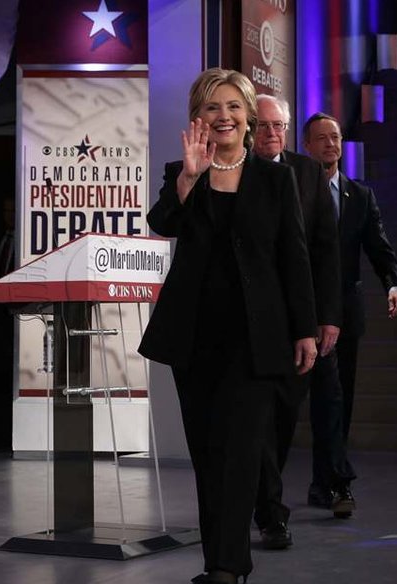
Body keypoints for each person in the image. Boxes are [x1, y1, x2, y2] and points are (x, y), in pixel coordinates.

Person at [138, 69, 318, 584]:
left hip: (256, 338)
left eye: (234, 107)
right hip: (195, 335)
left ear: (249, 117)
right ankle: (218, 561)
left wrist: (304, 328)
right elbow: (163, 223)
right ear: (199, 117)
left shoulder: (275, 178)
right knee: (208, 455)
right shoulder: (183, 171)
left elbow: (294, 258)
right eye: (213, 108)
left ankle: (226, 567)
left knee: (241, 452)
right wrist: (189, 179)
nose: (225, 117)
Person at [302, 112, 397, 516]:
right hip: (300, 311)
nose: (331, 144)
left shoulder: (360, 196)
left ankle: (325, 482)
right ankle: (333, 481)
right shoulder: (292, 189)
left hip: (345, 314)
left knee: (337, 399)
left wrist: (393, 284)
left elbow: (380, 248)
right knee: (320, 398)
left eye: (336, 137)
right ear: (307, 146)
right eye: (322, 138)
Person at [250, 95, 342, 549]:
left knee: (284, 418)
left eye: (279, 126)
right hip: (247, 322)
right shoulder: (235, 170)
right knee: (257, 419)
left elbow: (326, 252)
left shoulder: (307, 174)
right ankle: (270, 512)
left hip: (298, 320)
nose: (272, 134)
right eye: (264, 126)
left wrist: (327, 317)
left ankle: (263, 499)